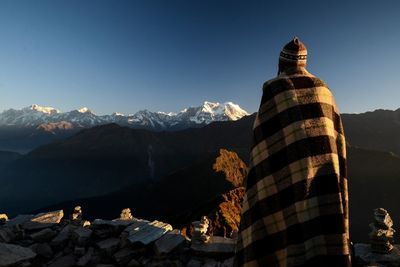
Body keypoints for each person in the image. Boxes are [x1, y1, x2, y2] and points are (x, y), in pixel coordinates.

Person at [235, 37, 351, 267]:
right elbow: (336, 140)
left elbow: (263, 143)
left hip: (285, 176)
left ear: (281, 63)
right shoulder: (325, 89)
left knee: (285, 221)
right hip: (323, 177)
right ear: (304, 63)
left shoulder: (274, 88)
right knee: (319, 224)